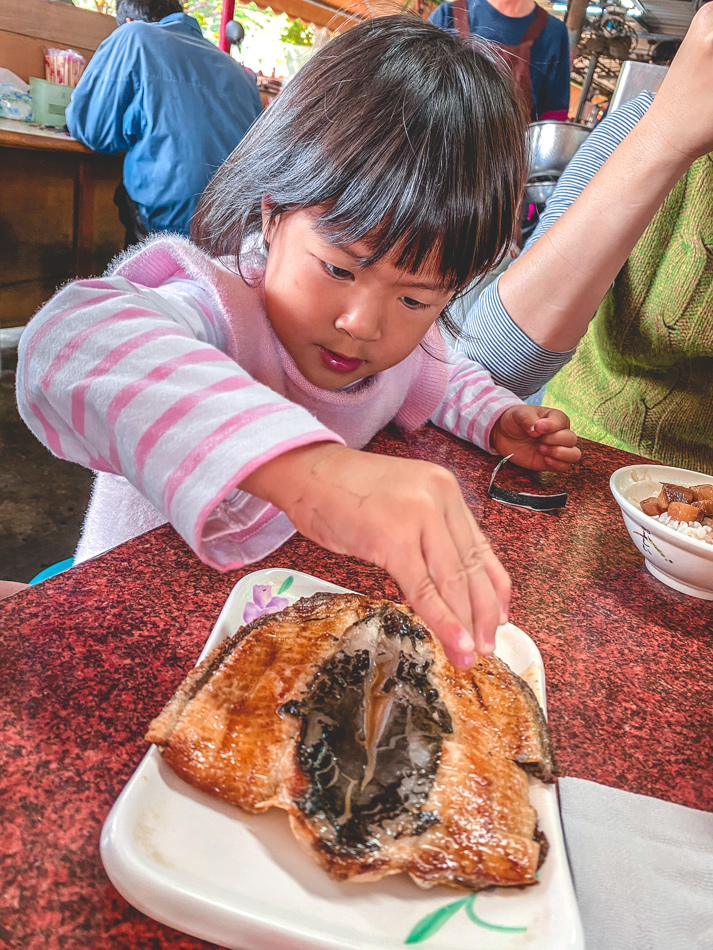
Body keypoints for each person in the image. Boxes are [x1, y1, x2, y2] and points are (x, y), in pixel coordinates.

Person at [17, 17, 580, 670]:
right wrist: (318, 474)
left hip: (259, 641)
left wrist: (496, 419)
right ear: (272, 214)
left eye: (416, 298)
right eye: (339, 269)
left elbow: (444, 375)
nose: (363, 323)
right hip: (126, 628)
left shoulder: (406, 346)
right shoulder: (220, 309)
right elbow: (73, 344)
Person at [457, 4, 713, 473]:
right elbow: (490, 362)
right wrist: (665, 136)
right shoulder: (641, 128)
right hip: (580, 462)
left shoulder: (547, 31)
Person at [65, 0, 262, 243]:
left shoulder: (133, 36)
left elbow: (92, 130)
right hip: (236, 232)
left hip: (169, 225)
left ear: (128, 21)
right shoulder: (241, 73)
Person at [429, 0, 570, 120]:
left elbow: (553, 117)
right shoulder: (446, 17)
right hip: (444, 148)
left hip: (515, 150)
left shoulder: (554, 34)